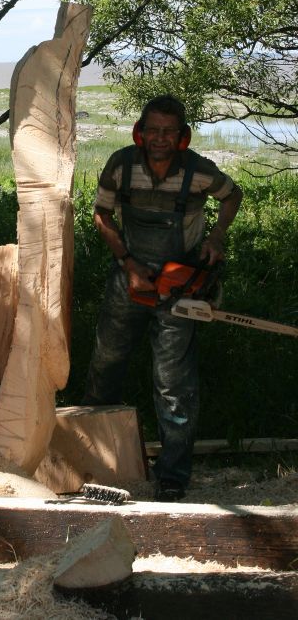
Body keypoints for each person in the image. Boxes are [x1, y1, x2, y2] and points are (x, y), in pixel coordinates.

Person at [83, 95, 242, 501]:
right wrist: (128, 263)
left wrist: (216, 237)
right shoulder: (121, 165)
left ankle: (172, 476)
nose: (160, 138)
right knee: (106, 364)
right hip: (128, 279)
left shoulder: (199, 171)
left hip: (178, 288)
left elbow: (232, 195)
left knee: (174, 383)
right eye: (153, 129)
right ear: (140, 130)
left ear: (182, 136)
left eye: (169, 131)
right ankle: (95, 461)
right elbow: (100, 214)